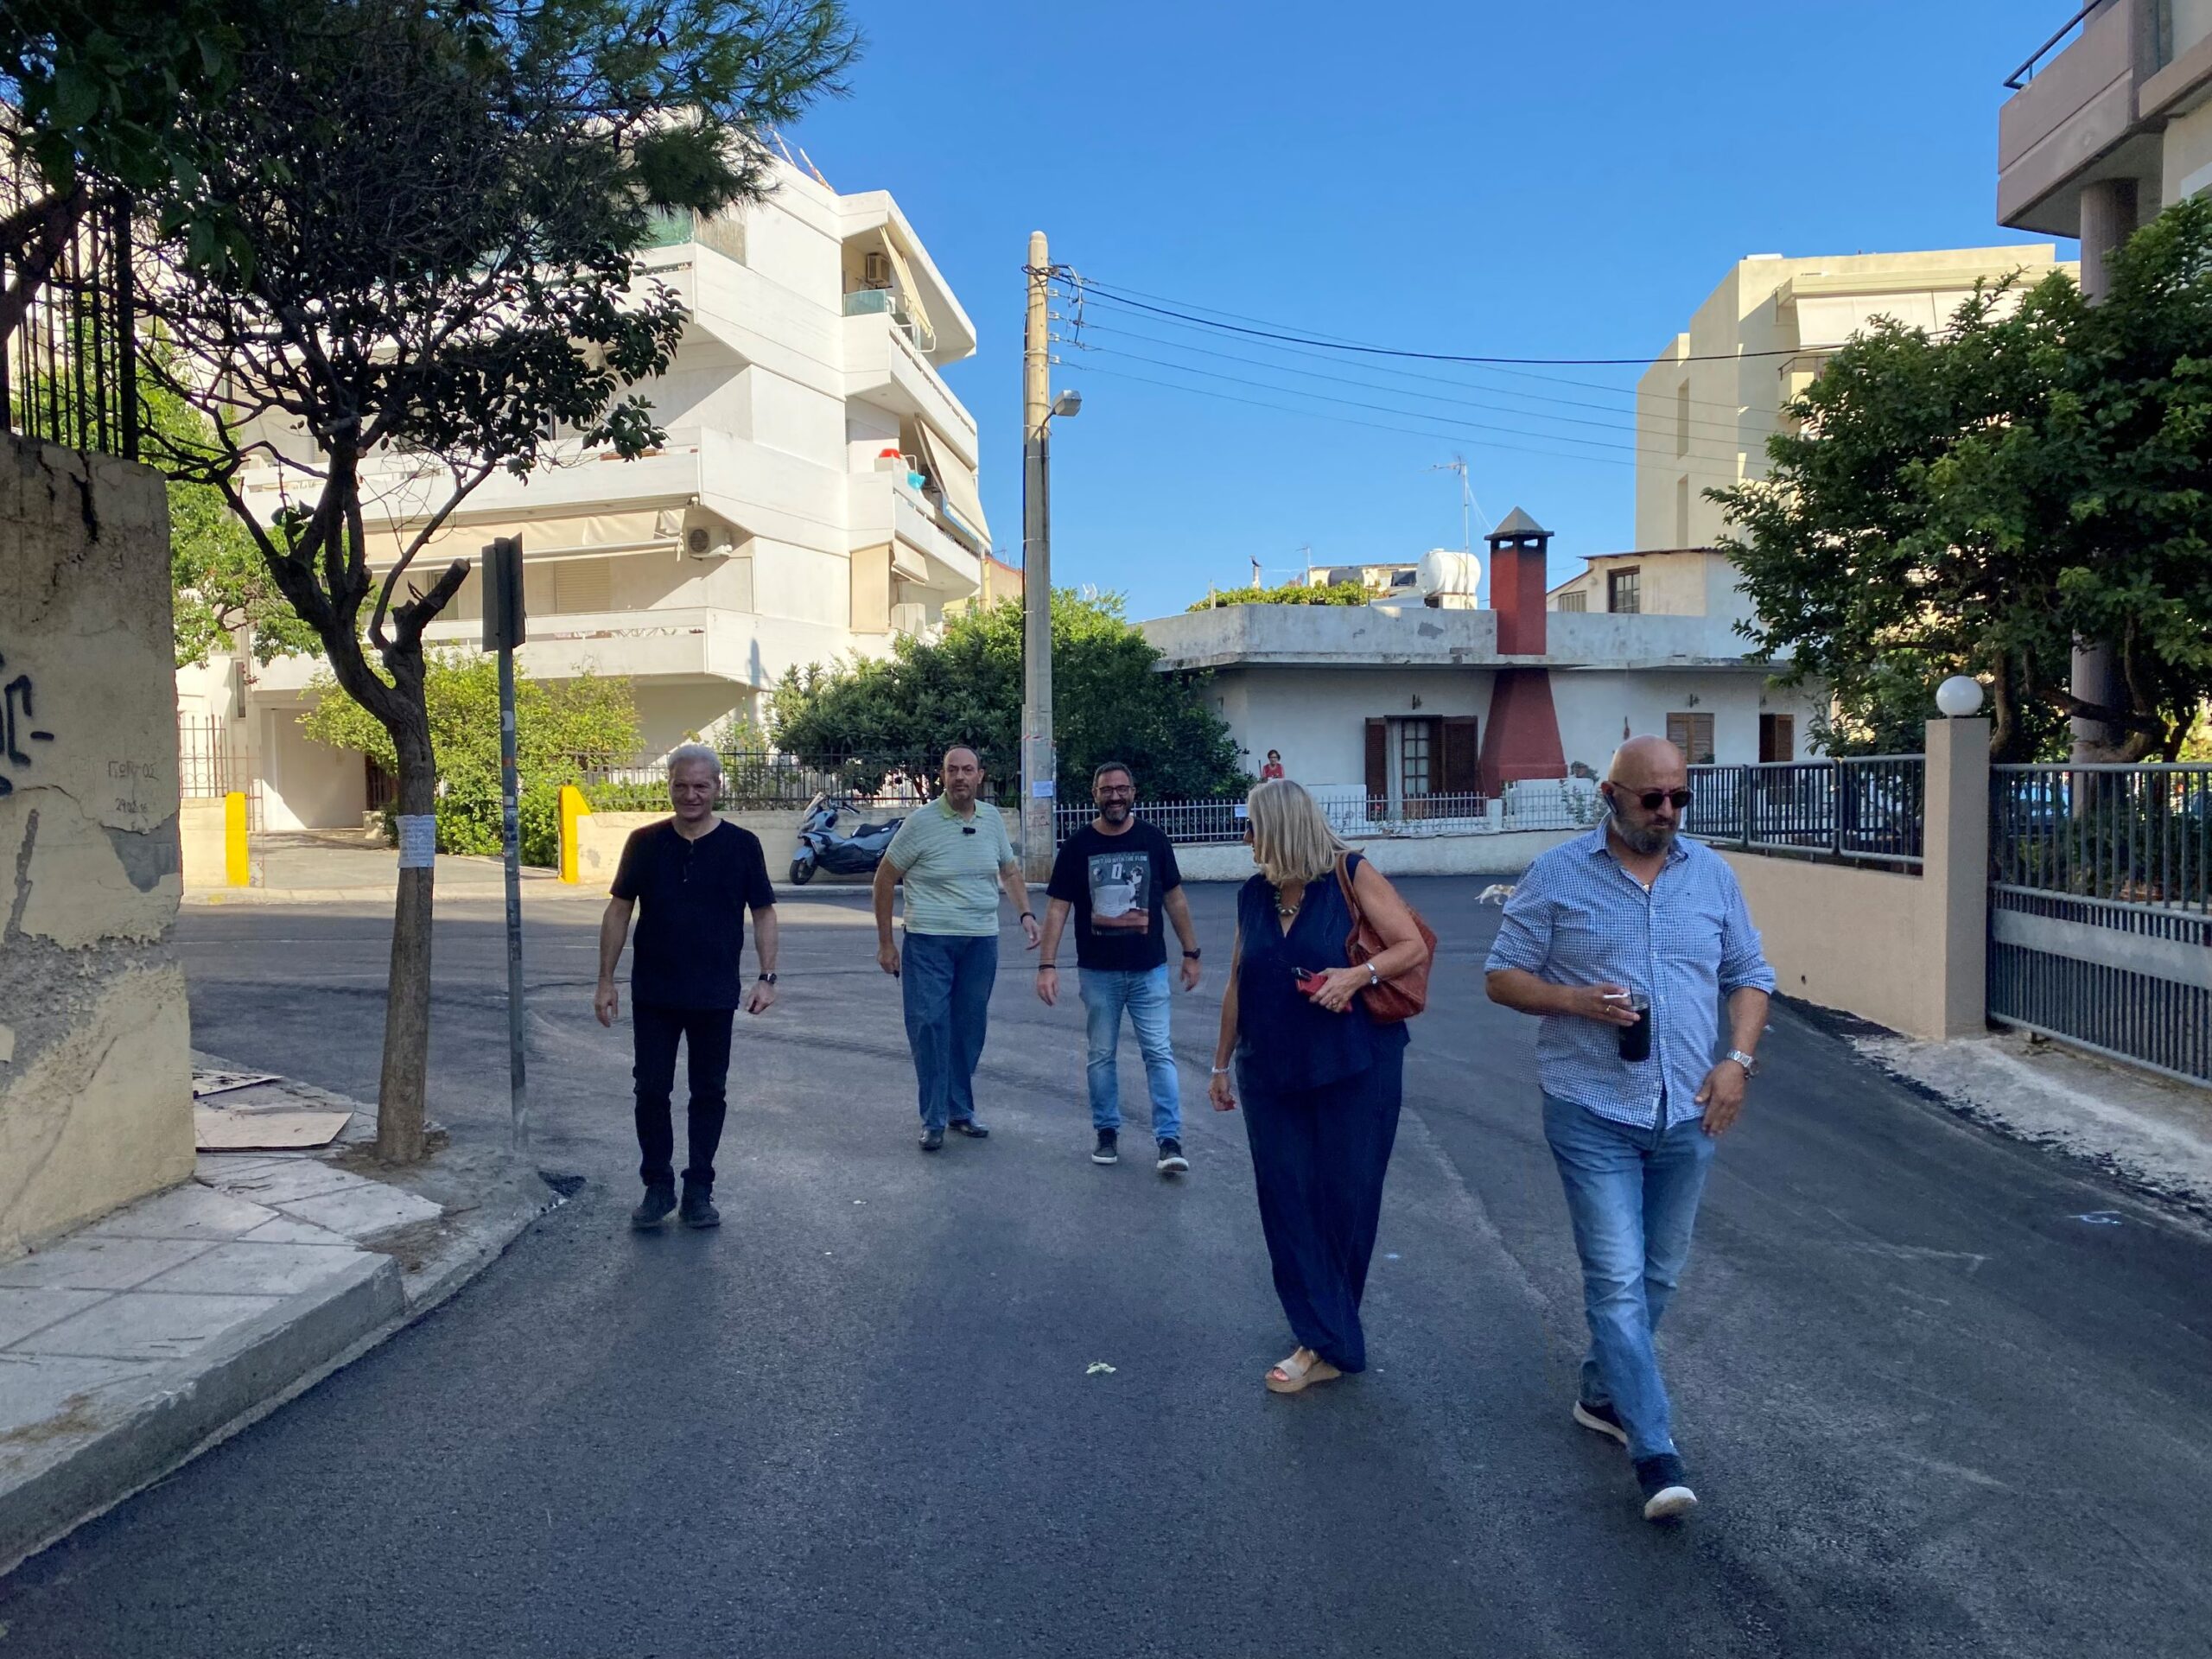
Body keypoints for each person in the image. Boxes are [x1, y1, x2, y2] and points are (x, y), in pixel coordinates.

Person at [1484, 734, 1773, 1522]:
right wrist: (1575, 1002)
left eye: (1680, 796)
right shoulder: (1557, 874)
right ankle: (1655, 1452)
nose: (1669, 811)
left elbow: (1749, 974)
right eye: (1653, 798)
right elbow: (1501, 976)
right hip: (1592, 1109)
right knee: (1615, 1280)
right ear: (1610, 796)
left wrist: (1738, 1061)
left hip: (1689, 1110)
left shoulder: (1710, 875)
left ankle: (1602, 1392)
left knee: (1659, 1276)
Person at [1207, 779, 1429, 1394]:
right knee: (1286, 1201)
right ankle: (1322, 1332)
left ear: (1280, 827)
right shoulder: (1253, 894)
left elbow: (1411, 945)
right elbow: (1237, 981)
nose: (1245, 838)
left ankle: (1324, 1341)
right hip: (1269, 1070)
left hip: (1356, 1067)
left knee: (1345, 1202)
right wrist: (1220, 1065)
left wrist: (1357, 975)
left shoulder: (1350, 875)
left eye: (1251, 826)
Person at [595, 744, 779, 1230]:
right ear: (670, 787)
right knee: (651, 1090)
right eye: (681, 785)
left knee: (709, 1092)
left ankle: (699, 1190)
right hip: (654, 993)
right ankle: (657, 1187)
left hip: (714, 994)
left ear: (717, 787)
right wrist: (605, 980)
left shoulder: (742, 845)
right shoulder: (644, 842)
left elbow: (763, 912)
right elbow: (619, 910)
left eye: (701, 786)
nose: (691, 795)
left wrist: (766, 977)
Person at [1036, 761, 1203, 1173]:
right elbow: (1057, 909)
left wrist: (1191, 952)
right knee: (1100, 1056)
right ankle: (1106, 1132)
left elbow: (1175, 899)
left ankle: (1169, 1140)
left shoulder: (1154, 840)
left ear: (1133, 792)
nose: (1115, 796)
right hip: (1098, 973)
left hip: (1149, 970)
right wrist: (1047, 964)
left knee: (1159, 1054)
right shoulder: (1077, 846)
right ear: (1094, 794)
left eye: (1122, 789)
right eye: (1107, 790)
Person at [874, 746, 1040, 1151]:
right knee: (930, 1026)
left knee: (969, 1028)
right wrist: (886, 943)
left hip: (980, 942)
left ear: (980, 775)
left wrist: (1026, 914)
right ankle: (933, 1119)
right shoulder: (921, 823)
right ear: (943, 775)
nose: (960, 777)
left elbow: (1009, 871)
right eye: (953, 770)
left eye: (968, 770)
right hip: (928, 941)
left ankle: (960, 1111)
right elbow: (884, 879)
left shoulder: (992, 820)